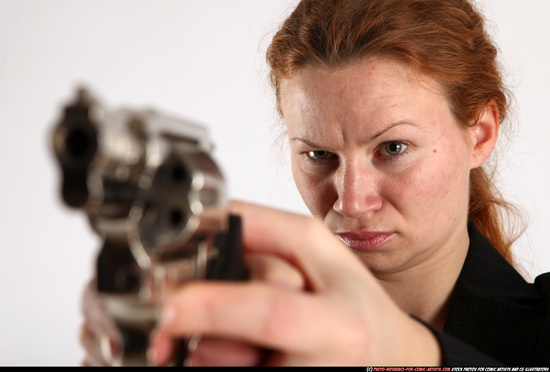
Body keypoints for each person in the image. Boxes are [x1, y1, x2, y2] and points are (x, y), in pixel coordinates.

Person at [80, 0, 550, 366]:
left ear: (481, 134)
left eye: (393, 148)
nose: (351, 201)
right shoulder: (242, 329)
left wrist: (405, 353)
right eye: (318, 155)